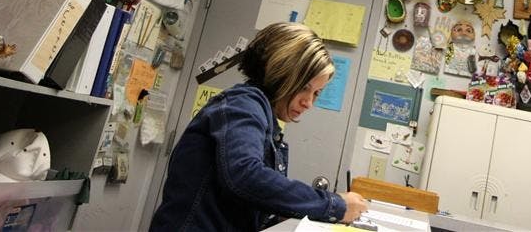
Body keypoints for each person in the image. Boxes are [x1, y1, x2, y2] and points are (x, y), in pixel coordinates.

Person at [150, 22, 368, 231]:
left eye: (316, 93)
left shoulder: (259, 112)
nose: (308, 102)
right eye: (304, 88)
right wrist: (335, 205)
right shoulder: (244, 104)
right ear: (281, 74)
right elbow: (246, 175)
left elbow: (246, 198)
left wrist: (293, 207)